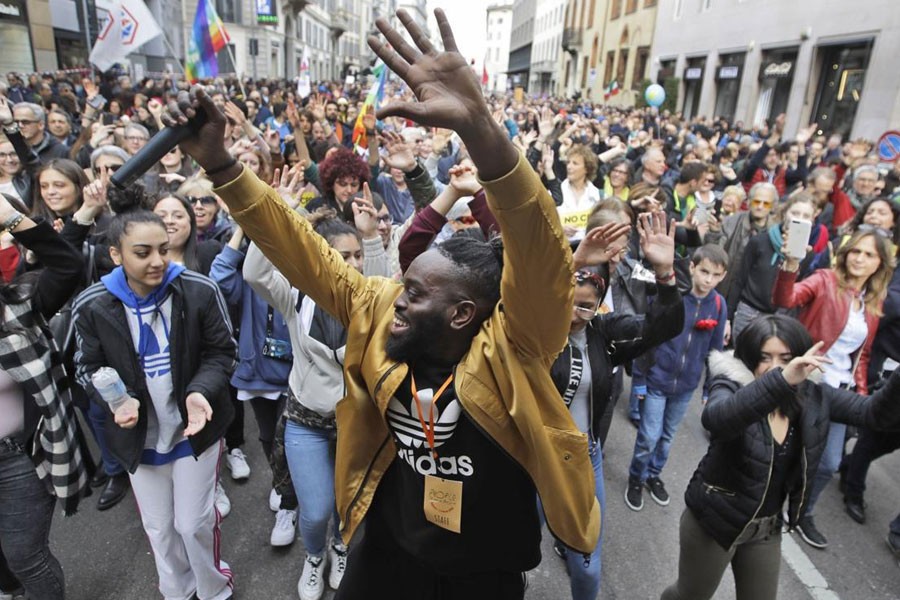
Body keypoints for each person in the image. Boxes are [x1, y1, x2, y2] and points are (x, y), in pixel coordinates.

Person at [162, 8, 600, 599]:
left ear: (463, 314)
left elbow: (540, 255)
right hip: (390, 553)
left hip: (486, 571)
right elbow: (302, 252)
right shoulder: (377, 306)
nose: (397, 296)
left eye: (417, 292)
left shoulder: (518, 344)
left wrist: (481, 129)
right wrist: (219, 164)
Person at [660, 315, 900, 600]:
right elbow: (717, 419)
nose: (775, 367)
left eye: (785, 358)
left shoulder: (813, 395)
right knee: (689, 596)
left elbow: (874, 414)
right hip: (715, 522)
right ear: (748, 357)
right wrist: (782, 380)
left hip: (765, 530)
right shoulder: (731, 384)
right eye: (765, 358)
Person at [73, 210, 237, 600]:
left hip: (194, 428)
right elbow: (86, 367)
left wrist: (199, 392)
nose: (157, 261)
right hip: (137, 438)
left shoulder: (197, 289)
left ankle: (215, 588)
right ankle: (177, 590)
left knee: (193, 522)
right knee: (160, 528)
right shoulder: (93, 303)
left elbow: (223, 352)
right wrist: (115, 402)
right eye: (142, 252)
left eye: (163, 250)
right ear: (116, 255)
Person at [244, 204, 390, 600]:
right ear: (321, 258)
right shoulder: (296, 294)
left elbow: (383, 285)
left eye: (357, 255)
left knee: (349, 505)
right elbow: (254, 273)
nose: (353, 264)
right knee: (315, 510)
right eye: (343, 256)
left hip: (356, 425)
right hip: (306, 422)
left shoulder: (368, 299)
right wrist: (282, 215)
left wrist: (370, 236)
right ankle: (314, 556)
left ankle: (340, 548)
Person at [549, 212, 683, 599]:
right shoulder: (532, 330)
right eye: (568, 302)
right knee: (510, 555)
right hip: (532, 460)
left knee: (587, 567)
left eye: (586, 306)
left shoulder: (603, 334)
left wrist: (666, 276)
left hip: (583, 458)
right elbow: (512, 298)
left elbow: (662, 328)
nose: (575, 314)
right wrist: (572, 262)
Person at [772, 228, 893, 549]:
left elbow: (863, 355)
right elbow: (786, 298)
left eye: (869, 255)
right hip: (808, 382)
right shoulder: (825, 279)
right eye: (856, 251)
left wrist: (862, 395)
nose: (860, 258)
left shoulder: (872, 302)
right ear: (846, 252)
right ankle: (767, 504)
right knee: (786, 449)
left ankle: (802, 513)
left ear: (879, 264)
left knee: (826, 464)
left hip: (840, 391)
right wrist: (790, 264)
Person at [0, 192, 89, 600]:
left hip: (18, 457)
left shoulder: (15, 310)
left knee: (24, 556)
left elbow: (67, 264)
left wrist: (11, 218)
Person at [625, 244, 729, 511]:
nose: (708, 279)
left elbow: (715, 352)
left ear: (723, 276)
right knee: (649, 435)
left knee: (667, 437)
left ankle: (653, 474)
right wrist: (639, 379)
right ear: (692, 267)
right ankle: (636, 477)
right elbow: (647, 338)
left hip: (686, 386)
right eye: (704, 271)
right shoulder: (674, 298)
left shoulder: (718, 305)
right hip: (657, 380)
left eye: (716, 275)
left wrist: (710, 388)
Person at [728, 192, 820, 344]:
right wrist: (728, 318)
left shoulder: (807, 254)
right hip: (749, 312)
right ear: (785, 213)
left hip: (779, 319)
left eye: (806, 216)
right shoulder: (760, 241)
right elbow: (739, 280)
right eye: (795, 213)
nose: (799, 218)